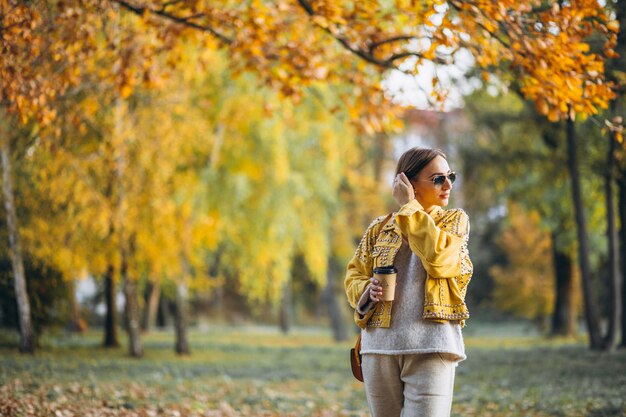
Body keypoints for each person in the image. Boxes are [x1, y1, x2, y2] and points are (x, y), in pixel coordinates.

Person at [345, 147, 473, 417]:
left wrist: (409, 208)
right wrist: (365, 292)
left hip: (432, 347)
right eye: (438, 178)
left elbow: (439, 258)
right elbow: (354, 276)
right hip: (378, 349)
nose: (447, 184)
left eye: (450, 176)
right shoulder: (380, 227)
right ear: (408, 183)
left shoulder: (453, 221)